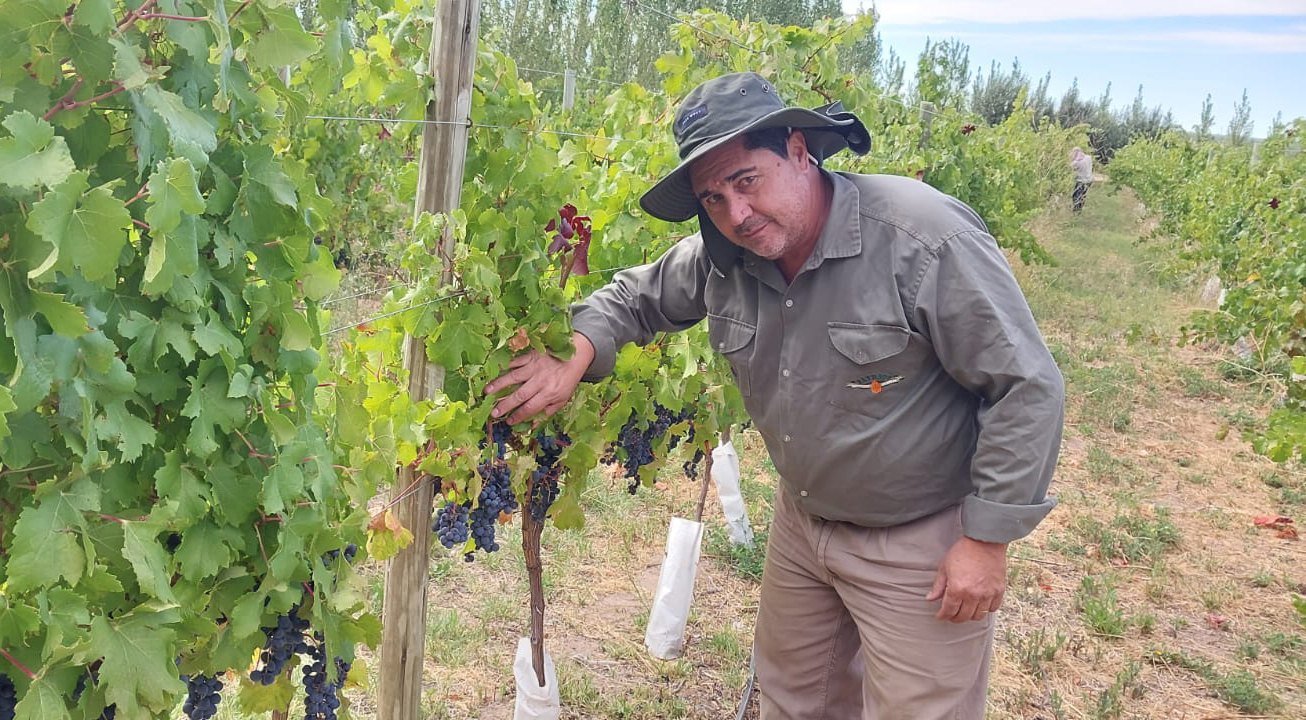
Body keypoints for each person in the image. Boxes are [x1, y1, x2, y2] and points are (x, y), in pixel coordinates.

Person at [484, 73, 1064, 720]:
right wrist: (575, 354)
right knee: (791, 702)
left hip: (918, 539)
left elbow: (1025, 386)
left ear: (797, 149)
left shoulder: (921, 240)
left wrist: (986, 541)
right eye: (713, 198)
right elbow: (635, 297)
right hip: (802, 523)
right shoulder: (724, 256)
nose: (736, 214)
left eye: (746, 181)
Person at [1070, 146, 1093, 213]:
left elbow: (1071, 169)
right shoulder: (1088, 158)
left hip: (1081, 181)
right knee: (1083, 195)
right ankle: (1080, 209)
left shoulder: (1075, 163)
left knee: (1076, 196)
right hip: (1089, 180)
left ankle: (1076, 211)